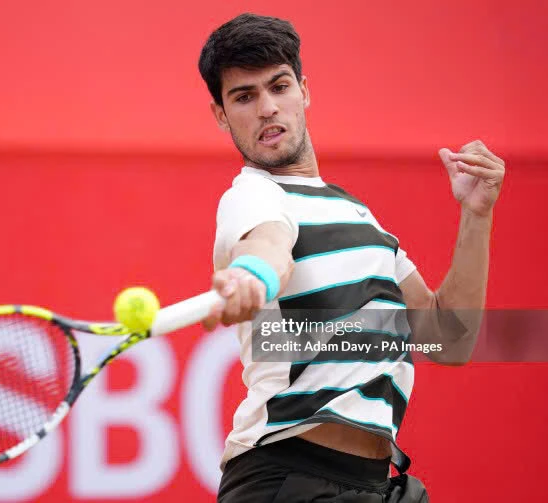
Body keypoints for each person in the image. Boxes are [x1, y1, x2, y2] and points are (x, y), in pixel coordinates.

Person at [197, 13, 505, 502]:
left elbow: (449, 340)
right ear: (221, 114)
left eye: (279, 87)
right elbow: (269, 245)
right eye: (244, 96)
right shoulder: (253, 196)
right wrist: (252, 274)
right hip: (289, 479)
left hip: (375, 483)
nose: (267, 108)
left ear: (304, 91)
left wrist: (477, 214)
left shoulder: (363, 220)